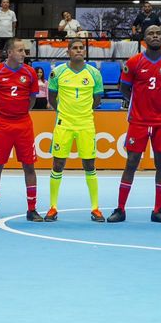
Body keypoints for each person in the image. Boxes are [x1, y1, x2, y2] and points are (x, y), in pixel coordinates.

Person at [106, 26, 161, 224]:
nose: (155, 36)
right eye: (151, 33)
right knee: (131, 162)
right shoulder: (133, 62)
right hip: (138, 121)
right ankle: (120, 209)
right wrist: (137, 102)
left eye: (158, 33)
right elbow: (123, 87)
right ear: (143, 38)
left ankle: (158, 210)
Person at [46, 38, 104, 222]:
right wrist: (66, 113)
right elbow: (51, 98)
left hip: (86, 124)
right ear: (68, 51)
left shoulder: (94, 73)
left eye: (81, 48)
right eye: (75, 48)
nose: (78, 50)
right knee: (58, 165)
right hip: (64, 124)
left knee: (89, 165)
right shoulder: (57, 73)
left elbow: (97, 100)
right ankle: (53, 207)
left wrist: (82, 113)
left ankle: (95, 208)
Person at [0, 39, 42, 222]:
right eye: (20, 51)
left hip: (23, 124)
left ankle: (32, 209)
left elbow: (32, 100)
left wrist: (20, 113)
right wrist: (1, 114)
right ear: (9, 52)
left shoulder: (30, 72)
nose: (24, 54)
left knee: (29, 166)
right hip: (2, 124)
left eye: (24, 51)